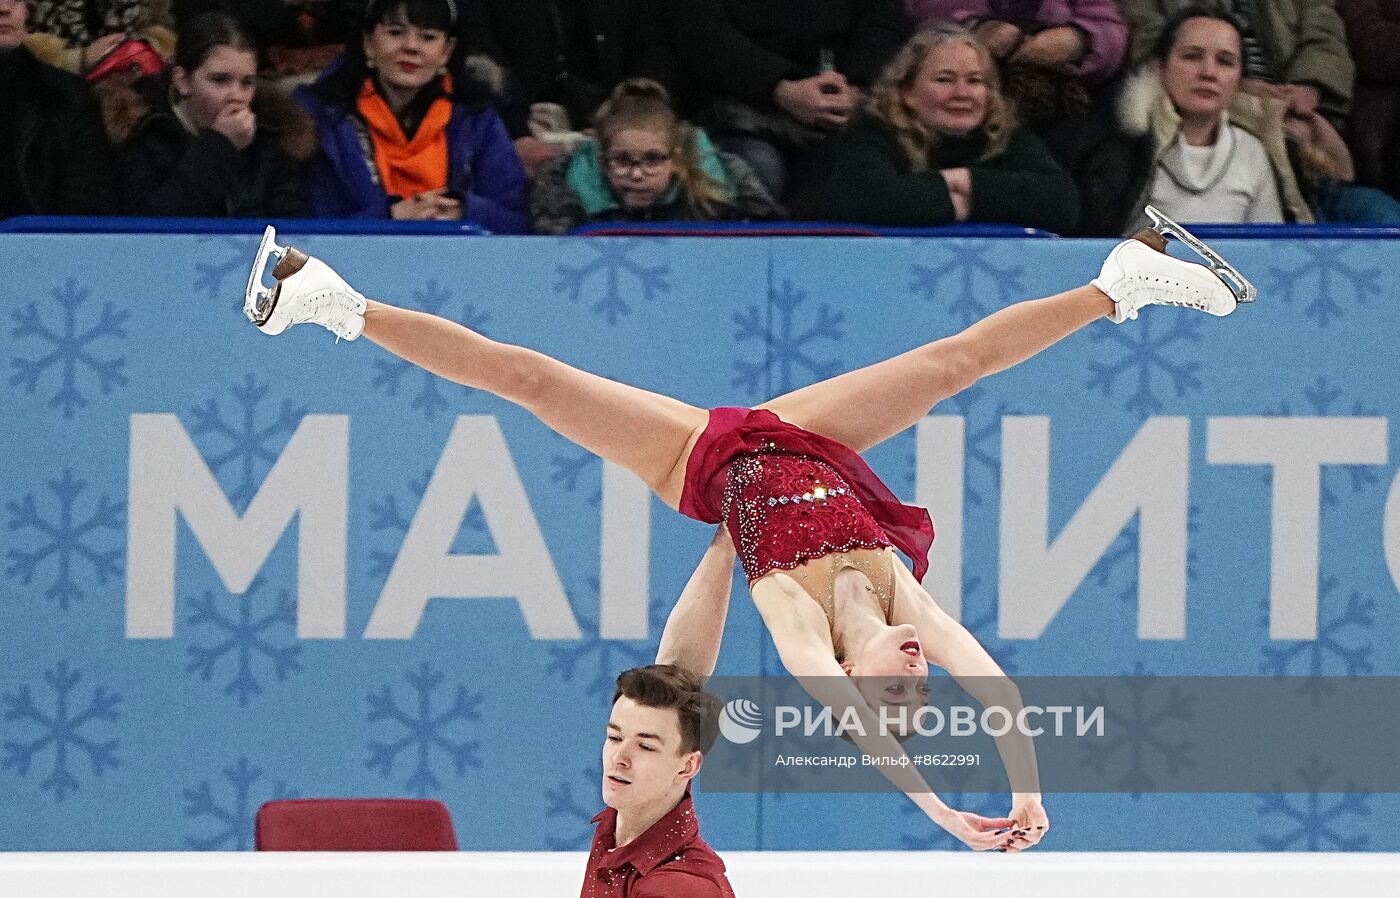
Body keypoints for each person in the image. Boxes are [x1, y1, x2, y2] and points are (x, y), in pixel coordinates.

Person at [242, 211, 1243, 848]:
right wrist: (1024, 793)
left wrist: (941, 811)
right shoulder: (906, 598)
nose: (915, 664)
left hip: (705, 461)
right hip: (809, 438)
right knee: (951, 364)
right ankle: (1124, 280)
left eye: (896, 685)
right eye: (920, 675)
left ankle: (330, 302)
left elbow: (878, 744)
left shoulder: (802, 633)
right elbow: (999, 690)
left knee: (529, 379)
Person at [789, 26, 1080, 232]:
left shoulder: (1007, 137)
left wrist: (965, 182)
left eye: (976, 81)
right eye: (944, 80)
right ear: (906, 91)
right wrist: (969, 200)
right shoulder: (871, 135)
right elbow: (866, 198)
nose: (962, 93)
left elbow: (1061, 202)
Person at [295, 0, 528, 232]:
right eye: (396, 32)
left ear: (447, 51)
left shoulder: (478, 118)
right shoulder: (319, 121)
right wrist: (390, 218)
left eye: (428, 37)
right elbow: (309, 230)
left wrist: (464, 212)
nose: (411, 47)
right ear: (368, 43)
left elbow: (517, 221)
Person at [657, 0, 911, 200]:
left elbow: (883, 23)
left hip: (845, 107)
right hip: (732, 112)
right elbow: (698, 33)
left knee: (863, 175)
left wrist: (857, 86)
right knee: (759, 171)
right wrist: (780, 87)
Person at [108, 13, 311, 217]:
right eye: (220, 80)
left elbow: (293, 228)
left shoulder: (271, 132)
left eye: (247, 83)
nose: (237, 96)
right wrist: (219, 146)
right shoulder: (145, 131)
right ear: (182, 81)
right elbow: (147, 230)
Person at [530, 79, 783, 235]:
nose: (637, 174)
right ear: (602, 161)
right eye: (622, 160)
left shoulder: (727, 187)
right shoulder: (562, 190)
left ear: (677, 161)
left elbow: (770, 238)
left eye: (653, 159)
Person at [585, 664, 734, 897]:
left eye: (645, 747)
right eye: (615, 737)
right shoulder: (624, 823)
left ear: (687, 767)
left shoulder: (676, 889)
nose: (619, 758)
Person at [902, 0, 1128, 128]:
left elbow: (1111, 29)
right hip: (960, 96)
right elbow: (924, 12)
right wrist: (975, 27)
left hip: (1059, 107)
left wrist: (1079, 40)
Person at [0, 0, 118, 217]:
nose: (5, 8)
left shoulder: (69, 97)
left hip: (40, 248)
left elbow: (88, 205)